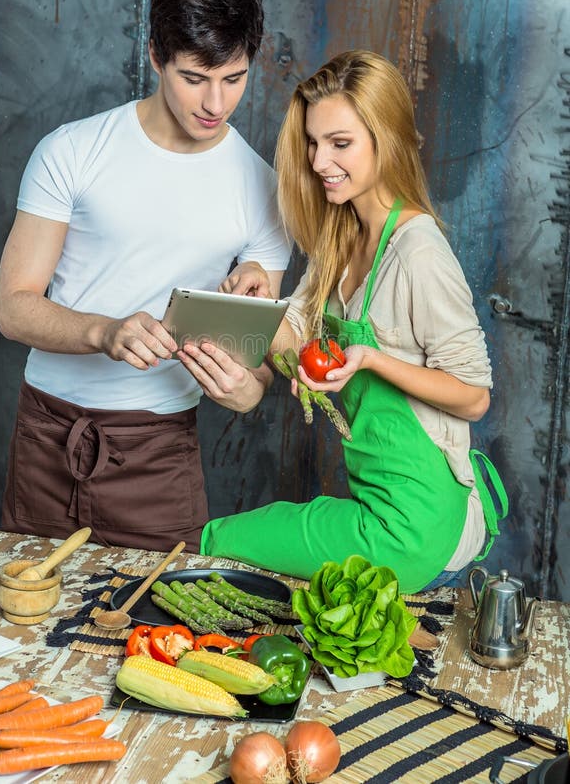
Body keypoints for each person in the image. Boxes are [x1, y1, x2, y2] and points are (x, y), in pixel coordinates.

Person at [0, 0, 291, 553]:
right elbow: (13, 307)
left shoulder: (265, 192)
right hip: (47, 432)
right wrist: (105, 332)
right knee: (24, 626)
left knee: (155, 637)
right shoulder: (71, 151)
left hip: (161, 453)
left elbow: (257, 369)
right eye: (194, 77)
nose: (215, 103)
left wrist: (245, 390)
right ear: (156, 54)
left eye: (233, 78)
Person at [201, 50, 508, 593]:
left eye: (340, 144)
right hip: (378, 504)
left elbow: (475, 395)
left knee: (220, 539)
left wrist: (372, 359)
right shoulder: (341, 235)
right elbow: (293, 330)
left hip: (417, 525)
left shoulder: (417, 252)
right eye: (314, 143)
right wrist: (252, 302)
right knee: (236, 543)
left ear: (384, 141)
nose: (319, 161)